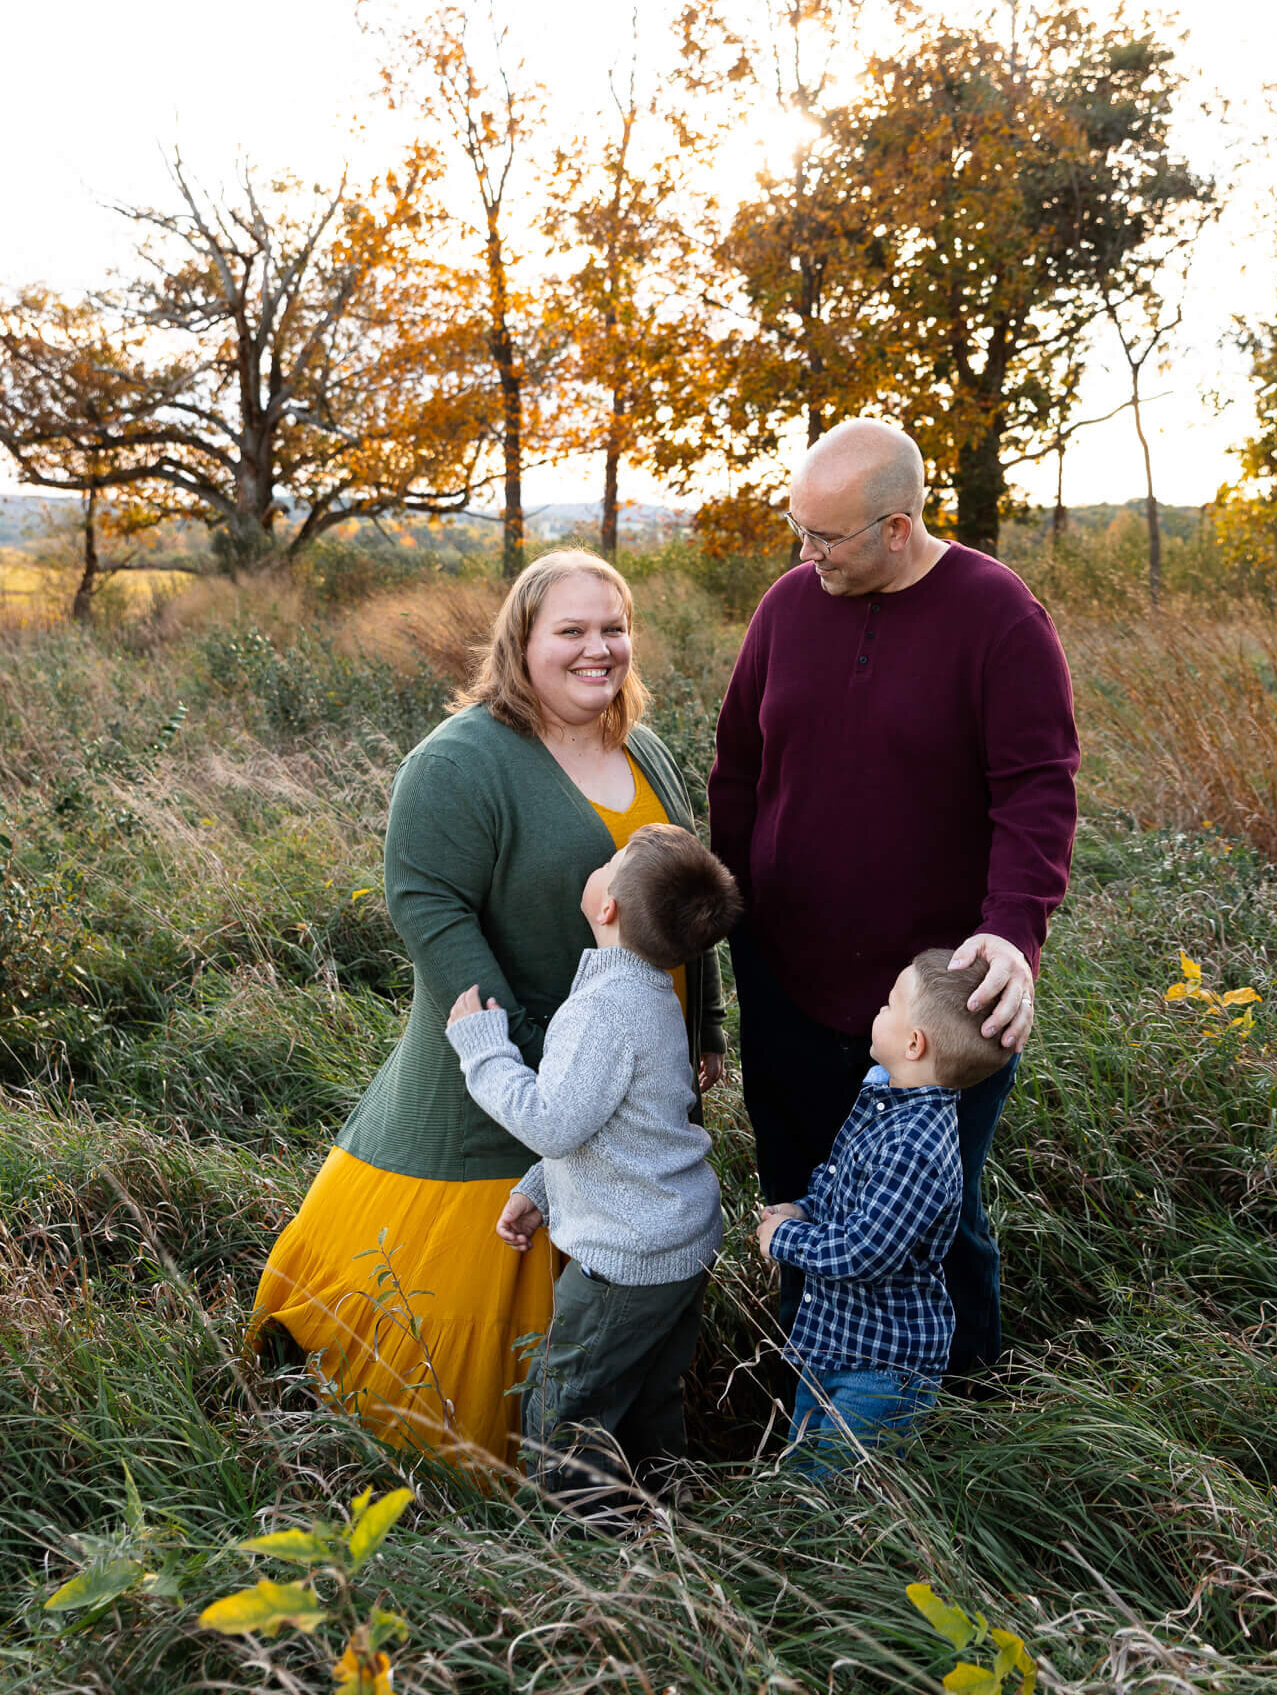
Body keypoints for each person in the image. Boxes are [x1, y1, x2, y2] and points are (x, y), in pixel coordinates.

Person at [248, 550, 728, 1470]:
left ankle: (636, 1474)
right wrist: (512, 1042)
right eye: (573, 631)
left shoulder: (646, 746)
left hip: (641, 1060)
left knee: (622, 1285)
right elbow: (428, 901)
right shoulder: (461, 761)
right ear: (523, 641)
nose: (600, 650)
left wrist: (703, 1022)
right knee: (485, 1308)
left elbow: (685, 896)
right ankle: (482, 1470)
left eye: (614, 628)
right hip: (506, 1065)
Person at [710, 419, 1079, 1373]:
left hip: (938, 1000)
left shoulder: (999, 617)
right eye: (798, 528)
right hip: (787, 978)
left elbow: (1037, 789)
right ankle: (820, 1404)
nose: (805, 554)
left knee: (936, 1222)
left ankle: (962, 1416)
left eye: (824, 537)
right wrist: (728, 914)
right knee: (801, 1200)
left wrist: (1013, 932)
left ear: (899, 528)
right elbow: (739, 768)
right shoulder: (788, 607)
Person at [446, 821, 743, 1517]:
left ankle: (587, 1553)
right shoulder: (651, 993)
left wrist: (483, 1050)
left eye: (609, 862)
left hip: (623, 1266)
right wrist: (540, 1188)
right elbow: (626, 1128)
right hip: (678, 1241)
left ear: (605, 906)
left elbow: (554, 1120)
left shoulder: (603, 1011)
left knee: (564, 1409)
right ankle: (664, 1511)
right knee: (648, 1397)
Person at [757, 949, 1009, 1464]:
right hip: (833, 1342)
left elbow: (864, 1250)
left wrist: (783, 1239)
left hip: (878, 1368)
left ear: (914, 1043)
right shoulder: (884, 1100)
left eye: (890, 1005)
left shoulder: (915, 1149)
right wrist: (804, 1210)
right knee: (807, 1466)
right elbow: (843, 1187)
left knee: (846, 1490)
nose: (878, 1011)